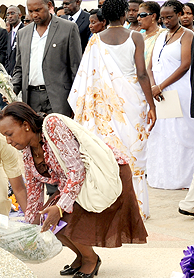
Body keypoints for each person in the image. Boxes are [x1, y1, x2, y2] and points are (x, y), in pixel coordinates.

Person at [0, 102, 147, 278]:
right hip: (78, 183)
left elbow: (77, 169)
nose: (7, 140)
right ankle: (82, 256)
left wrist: (60, 207)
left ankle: (91, 259)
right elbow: (34, 192)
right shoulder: (27, 153)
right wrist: (29, 230)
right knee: (48, 221)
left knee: (65, 219)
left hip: (105, 176)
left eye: (9, 134)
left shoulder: (52, 125)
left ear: (26, 125)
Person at [68, 0, 156, 220]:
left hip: (104, 107)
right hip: (131, 101)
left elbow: (86, 77)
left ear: (104, 17)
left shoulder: (95, 40)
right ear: (125, 14)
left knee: (107, 153)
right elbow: (142, 73)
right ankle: (135, 208)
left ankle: (109, 207)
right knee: (131, 152)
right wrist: (152, 105)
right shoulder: (135, 37)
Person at [147, 0, 194, 190]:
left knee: (180, 133)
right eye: (163, 17)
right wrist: (153, 87)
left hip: (179, 91)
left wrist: (161, 86)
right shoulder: (160, 36)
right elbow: (150, 66)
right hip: (159, 93)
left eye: (170, 17)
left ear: (180, 14)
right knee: (162, 133)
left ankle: (184, 179)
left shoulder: (188, 35)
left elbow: (185, 65)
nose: (166, 21)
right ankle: (163, 178)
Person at [12, 0, 81, 117]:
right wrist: (12, 88)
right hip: (31, 98)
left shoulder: (68, 28)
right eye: (30, 11)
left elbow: (76, 69)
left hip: (58, 98)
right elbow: (19, 67)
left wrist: (77, 101)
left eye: (38, 10)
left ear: (49, 6)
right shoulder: (22, 33)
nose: (34, 15)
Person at [138, 1, 165, 68]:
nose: (138, 19)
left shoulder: (163, 35)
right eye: (138, 15)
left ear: (153, 16)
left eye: (142, 15)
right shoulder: (138, 36)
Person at [6, 6, 24, 76]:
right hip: (10, 75)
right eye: (8, 14)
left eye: (12, 13)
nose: (10, 16)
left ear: (20, 15)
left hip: (21, 75)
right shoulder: (9, 34)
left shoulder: (25, 31)